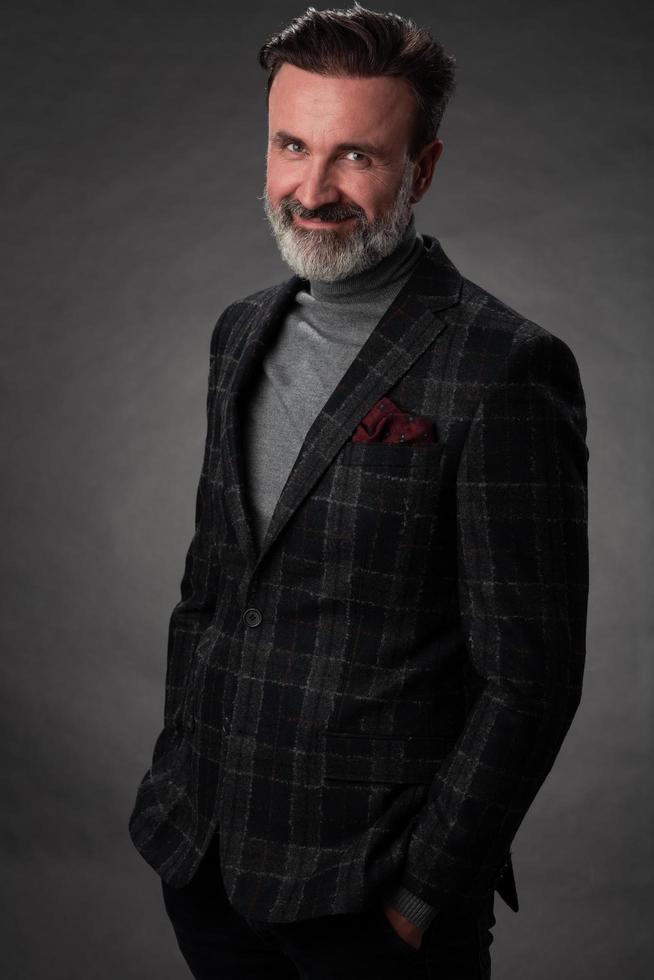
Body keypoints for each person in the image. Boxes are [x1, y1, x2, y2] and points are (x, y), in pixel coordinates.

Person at [128, 5, 589, 978]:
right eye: (291, 144)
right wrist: (179, 776)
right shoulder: (237, 333)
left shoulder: (504, 367)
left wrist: (423, 894)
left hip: (370, 903)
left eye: (357, 157)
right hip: (205, 863)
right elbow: (213, 584)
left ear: (420, 170)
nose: (312, 187)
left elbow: (530, 680)